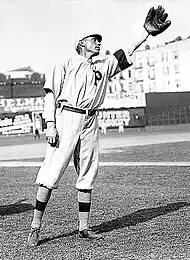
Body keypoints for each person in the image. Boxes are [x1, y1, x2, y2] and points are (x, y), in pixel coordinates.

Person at [28, 5, 171, 246]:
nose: (98, 42)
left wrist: (145, 34)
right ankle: (35, 228)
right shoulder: (65, 63)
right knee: (51, 173)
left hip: (91, 119)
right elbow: (50, 95)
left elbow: (125, 51)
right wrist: (50, 124)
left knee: (87, 173)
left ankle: (83, 228)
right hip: (67, 118)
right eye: (94, 39)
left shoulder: (102, 65)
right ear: (82, 42)